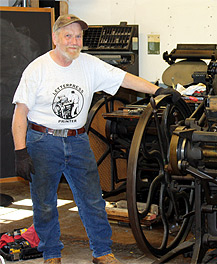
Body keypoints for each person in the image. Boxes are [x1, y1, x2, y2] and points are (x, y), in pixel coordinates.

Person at [11, 14, 180, 264]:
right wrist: (20, 152)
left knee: (92, 200)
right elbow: (20, 113)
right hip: (44, 141)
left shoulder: (89, 64)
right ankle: (51, 254)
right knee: (44, 203)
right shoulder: (37, 69)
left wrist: (158, 90)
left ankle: (102, 252)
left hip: (78, 141)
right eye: (68, 35)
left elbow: (124, 79)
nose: (74, 41)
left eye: (78, 36)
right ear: (56, 38)